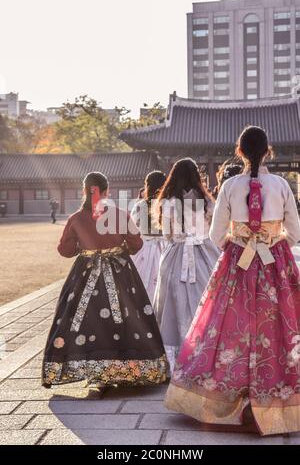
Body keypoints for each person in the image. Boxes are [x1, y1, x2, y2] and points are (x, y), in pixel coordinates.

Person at [165, 126, 300, 436]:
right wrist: (272, 243)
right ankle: (275, 398)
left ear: (239, 151)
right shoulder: (280, 185)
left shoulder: (229, 186)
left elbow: (215, 235)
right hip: (273, 264)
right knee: (277, 327)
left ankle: (226, 397)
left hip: (237, 264)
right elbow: (295, 231)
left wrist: (237, 241)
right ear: (268, 150)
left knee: (226, 326)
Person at [42, 172, 167, 388]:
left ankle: (90, 367)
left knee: (80, 316)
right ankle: (128, 367)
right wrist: (119, 250)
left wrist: (83, 248)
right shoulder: (120, 214)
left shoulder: (76, 219)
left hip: (86, 271)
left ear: (84, 191)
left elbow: (66, 249)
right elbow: (136, 244)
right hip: (120, 271)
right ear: (107, 191)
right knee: (129, 314)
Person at [153, 158, 220, 372]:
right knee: (206, 298)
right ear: (196, 176)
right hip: (204, 252)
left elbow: (167, 234)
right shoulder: (207, 201)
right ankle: (206, 351)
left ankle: (174, 356)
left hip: (176, 254)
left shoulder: (168, 202)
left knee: (172, 303)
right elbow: (213, 230)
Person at [131, 171, 167, 304]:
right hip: (165, 246)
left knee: (142, 283)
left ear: (147, 186)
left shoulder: (140, 205)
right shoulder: (169, 204)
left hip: (144, 248)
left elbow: (133, 228)